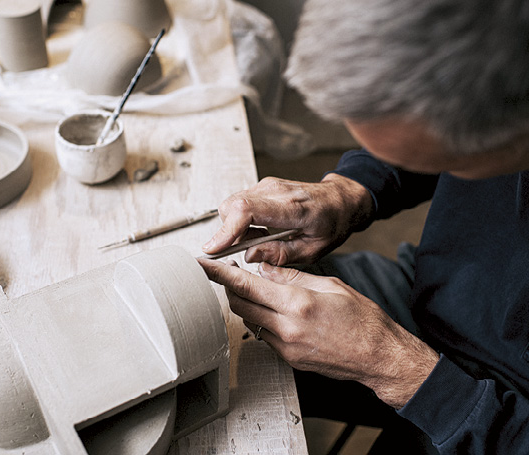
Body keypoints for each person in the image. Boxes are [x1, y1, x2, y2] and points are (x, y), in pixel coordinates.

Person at [197, 0, 529, 453]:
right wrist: (347, 193)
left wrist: (390, 365)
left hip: (505, 417)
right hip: (442, 291)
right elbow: (426, 122)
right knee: (213, 334)